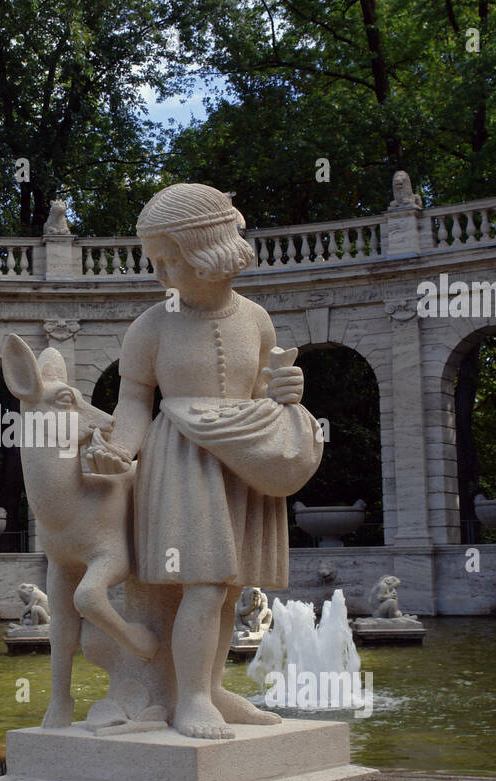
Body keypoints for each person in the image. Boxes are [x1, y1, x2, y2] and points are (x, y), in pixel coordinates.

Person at [87, 183, 323, 738]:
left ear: (211, 251)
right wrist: (120, 450)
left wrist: (285, 388)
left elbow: (263, 388)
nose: (162, 276)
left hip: (243, 457)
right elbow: (134, 404)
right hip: (183, 459)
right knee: (204, 583)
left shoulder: (257, 319)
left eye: (172, 261)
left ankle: (212, 689)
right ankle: (190, 699)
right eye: (156, 263)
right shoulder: (150, 325)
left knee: (232, 587)